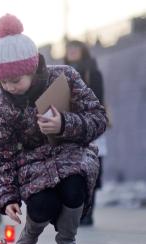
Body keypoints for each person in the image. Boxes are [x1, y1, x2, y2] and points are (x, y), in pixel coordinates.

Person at [0, 14, 107, 244]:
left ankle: (67, 241)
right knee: (43, 204)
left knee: (75, 187)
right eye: (3, 80)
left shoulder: (64, 77)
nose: (9, 86)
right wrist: (7, 197)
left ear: (31, 68)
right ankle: (29, 236)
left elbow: (98, 118)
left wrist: (63, 123)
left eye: (15, 80)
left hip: (71, 156)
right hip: (32, 165)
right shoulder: (0, 101)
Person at [64, 40, 106, 226]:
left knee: (92, 167)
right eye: (69, 49)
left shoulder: (92, 71)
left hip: (90, 125)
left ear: (83, 51)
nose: (72, 52)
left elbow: (99, 100)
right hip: (70, 127)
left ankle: (89, 211)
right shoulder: (61, 72)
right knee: (73, 169)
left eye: (75, 49)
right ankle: (76, 212)